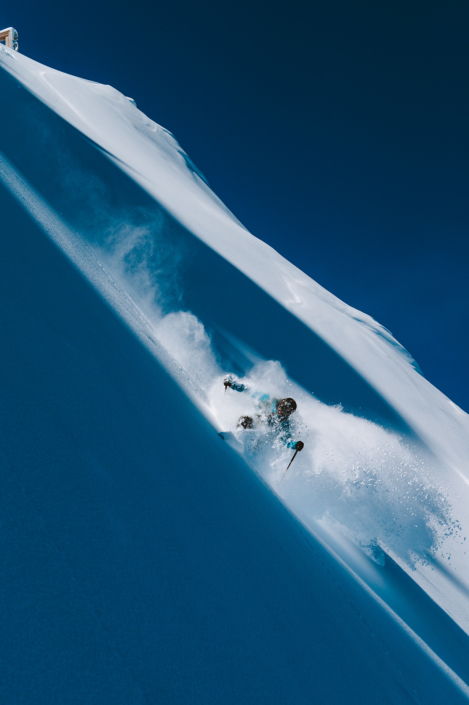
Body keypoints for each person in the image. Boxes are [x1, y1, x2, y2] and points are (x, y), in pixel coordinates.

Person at [224, 377, 304, 452]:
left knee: (260, 441)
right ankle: (234, 439)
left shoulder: (284, 423)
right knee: (245, 420)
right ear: (280, 404)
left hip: (259, 436)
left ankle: (246, 453)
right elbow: (247, 389)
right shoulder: (268, 400)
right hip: (254, 421)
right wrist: (232, 384)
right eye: (283, 408)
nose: (283, 412)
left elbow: (286, 440)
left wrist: (295, 445)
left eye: (287, 412)